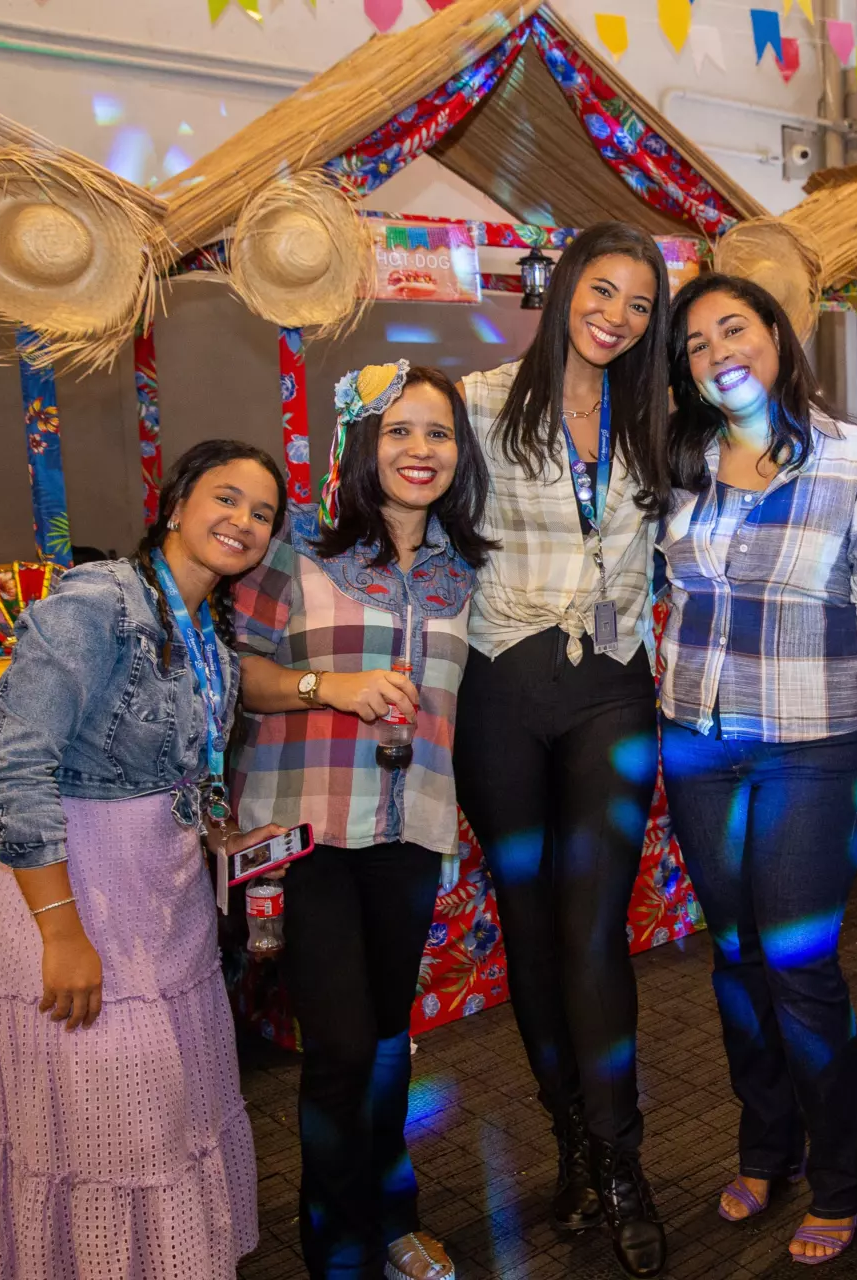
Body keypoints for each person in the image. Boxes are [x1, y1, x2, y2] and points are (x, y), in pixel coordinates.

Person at [0, 440, 287, 1279]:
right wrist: (60, 933)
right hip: (81, 899)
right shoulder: (96, 603)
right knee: (113, 1135)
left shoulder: (206, 629)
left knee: (177, 1123)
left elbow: (182, 761)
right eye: (227, 498)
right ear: (176, 504)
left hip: (168, 905)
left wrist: (217, 832)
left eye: (262, 514)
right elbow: (15, 769)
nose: (244, 521)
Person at [656, 273, 857, 1266]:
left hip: (812, 746)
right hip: (697, 742)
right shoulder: (683, 459)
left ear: (775, 334)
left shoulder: (856, 459)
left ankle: (841, 1176)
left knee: (798, 962)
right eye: (695, 342)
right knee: (733, 956)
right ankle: (767, 1146)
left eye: (735, 327)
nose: (718, 350)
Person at [230, 362, 490, 1280]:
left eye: (439, 433)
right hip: (308, 835)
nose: (420, 450)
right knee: (340, 1049)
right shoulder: (296, 551)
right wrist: (329, 686)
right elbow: (238, 672)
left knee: (386, 1041)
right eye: (399, 431)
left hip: (410, 832)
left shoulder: (467, 573)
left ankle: (393, 1218)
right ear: (363, 445)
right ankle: (336, 1251)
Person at [453, 223, 673, 1278]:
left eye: (639, 303)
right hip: (501, 683)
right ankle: (571, 1140)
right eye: (603, 290)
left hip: (612, 690)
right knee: (531, 930)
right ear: (565, 286)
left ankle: (623, 1161)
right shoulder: (477, 401)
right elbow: (404, 497)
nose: (616, 316)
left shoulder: (656, 417)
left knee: (592, 931)